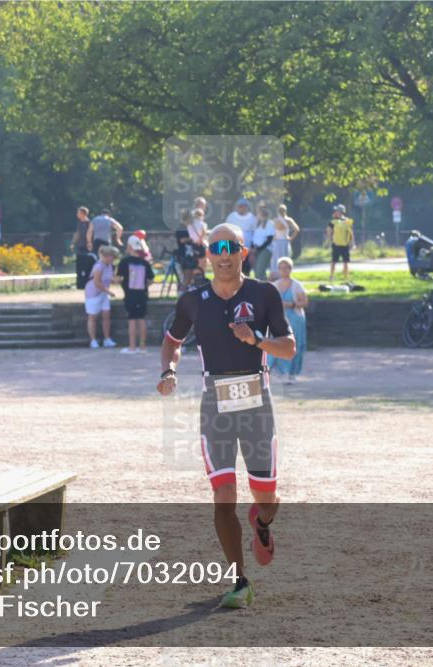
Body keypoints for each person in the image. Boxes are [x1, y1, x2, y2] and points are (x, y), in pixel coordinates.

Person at [158, 223, 296, 609]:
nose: (223, 254)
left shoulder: (264, 294)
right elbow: (171, 343)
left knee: (266, 497)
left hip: (256, 404)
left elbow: (288, 348)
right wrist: (168, 372)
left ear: (243, 252)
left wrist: (256, 340)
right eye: (215, 248)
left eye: (230, 247)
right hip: (214, 405)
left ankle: (263, 522)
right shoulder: (192, 300)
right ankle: (238, 580)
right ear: (207, 255)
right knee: (222, 494)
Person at [270, 258, 307, 383]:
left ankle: (292, 374)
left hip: (295, 319)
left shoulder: (297, 285)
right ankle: (280, 372)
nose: (284, 270)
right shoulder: (274, 285)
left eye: (286, 267)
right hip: (280, 319)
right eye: (281, 267)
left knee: (295, 346)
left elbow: (304, 302)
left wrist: (290, 304)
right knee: (277, 344)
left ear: (291, 269)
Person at [117, 235, 155, 354]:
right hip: (142, 295)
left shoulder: (124, 262)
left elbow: (118, 278)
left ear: (129, 247)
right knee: (141, 319)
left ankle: (132, 347)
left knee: (132, 320)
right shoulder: (145, 262)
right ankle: (142, 347)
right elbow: (151, 279)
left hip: (130, 295)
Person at [85, 245, 120, 349]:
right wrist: (109, 292)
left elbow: (109, 278)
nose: (113, 259)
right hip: (94, 293)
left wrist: (116, 280)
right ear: (106, 256)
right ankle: (93, 340)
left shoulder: (109, 266)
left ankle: (107, 339)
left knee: (106, 315)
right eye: (112, 257)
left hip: (103, 293)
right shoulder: (99, 266)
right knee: (93, 317)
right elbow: (97, 282)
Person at [224, 198, 257, 276]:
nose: (242, 208)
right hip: (233, 246)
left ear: (247, 207)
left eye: (244, 206)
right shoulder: (231, 217)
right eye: (240, 206)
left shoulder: (252, 218)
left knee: (246, 266)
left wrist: (252, 246)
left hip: (247, 247)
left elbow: (255, 232)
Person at [269, 204, 300, 279]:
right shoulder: (280, 220)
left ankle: (283, 275)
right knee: (276, 259)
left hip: (282, 241)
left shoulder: (284, 220)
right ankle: (277, 276)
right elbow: (296, 230)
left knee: (284, 258)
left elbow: (296, 229)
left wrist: (290, 238)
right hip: (280, 242)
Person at [326, 204, 355, 282]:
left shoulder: (347, 221)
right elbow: (328, 230)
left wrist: (352, 243)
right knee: (333, 261)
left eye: (337, 211)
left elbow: (351, 233)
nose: (335, 212)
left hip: (345, 245)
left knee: (346, 262)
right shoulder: (333, 222)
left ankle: (345, 277)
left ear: (341, 212)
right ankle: (331, 276)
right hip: (336, 244)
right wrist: (329, 240)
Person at [73, 207, 96, 289]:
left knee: (87, 266)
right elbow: (77, 233)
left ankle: (87, 283)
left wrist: (90, 244)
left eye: (78, 213)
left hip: (87, 248)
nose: (77, 214)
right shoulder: (79, 223)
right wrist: (73, 243)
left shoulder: (90, 223)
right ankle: (80, 284)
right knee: (79, 266)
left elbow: (91, 235)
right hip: (80, 247)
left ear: (83, 213)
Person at [251, 205, 274, 281]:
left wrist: (258, 249)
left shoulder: (269, 224)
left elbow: (269, 240)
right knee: (256, 272)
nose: (257, 215)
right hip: (256, 250)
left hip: (265, 250)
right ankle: (259, 288)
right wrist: (252, 247)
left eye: (259, 213)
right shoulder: (258, 224)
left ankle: (265, 289)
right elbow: (254, 238)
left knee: (260, 271)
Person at [187, 207, 209, 279]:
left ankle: (195, 279)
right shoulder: (202, 224)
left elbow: (190, 236)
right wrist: (200, 239)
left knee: (195, 263)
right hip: (200, 245)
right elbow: (204, 232)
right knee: (202, 263)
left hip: (193, 245)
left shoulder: (190, 224)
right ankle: (201, 278)